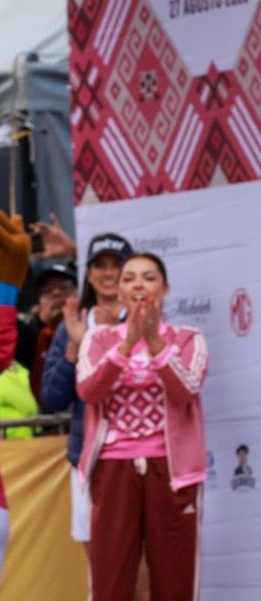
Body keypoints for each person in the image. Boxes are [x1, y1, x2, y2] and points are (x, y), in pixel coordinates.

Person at [77, 252, 208, 599]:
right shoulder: (100, 339)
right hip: (113, 468)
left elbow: (185, 390)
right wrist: (126, 344)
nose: (139, 285)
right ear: (119, 290)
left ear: (165, 288)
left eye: (149, 278)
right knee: (110, 579)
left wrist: (153, 341)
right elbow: (88, 390)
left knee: (174, 579)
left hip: (172, 469)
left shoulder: (188, 338)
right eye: (129, 278)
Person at [42, 232, 132, 545]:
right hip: (87, 460)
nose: (108, 274)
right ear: (88, 274)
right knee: (99, 569)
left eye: (116, 265)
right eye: (100, 266)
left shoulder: (146, 322)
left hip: (138, 459)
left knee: (142, 570)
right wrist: (74, 350)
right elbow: (52, 398)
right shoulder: (72, 326)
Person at [17, 259, 78, 400]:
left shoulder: (96, 328)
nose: (56, 293)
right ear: (38, 305)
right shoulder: (31, 340)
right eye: (47, 291)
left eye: (64, 286)